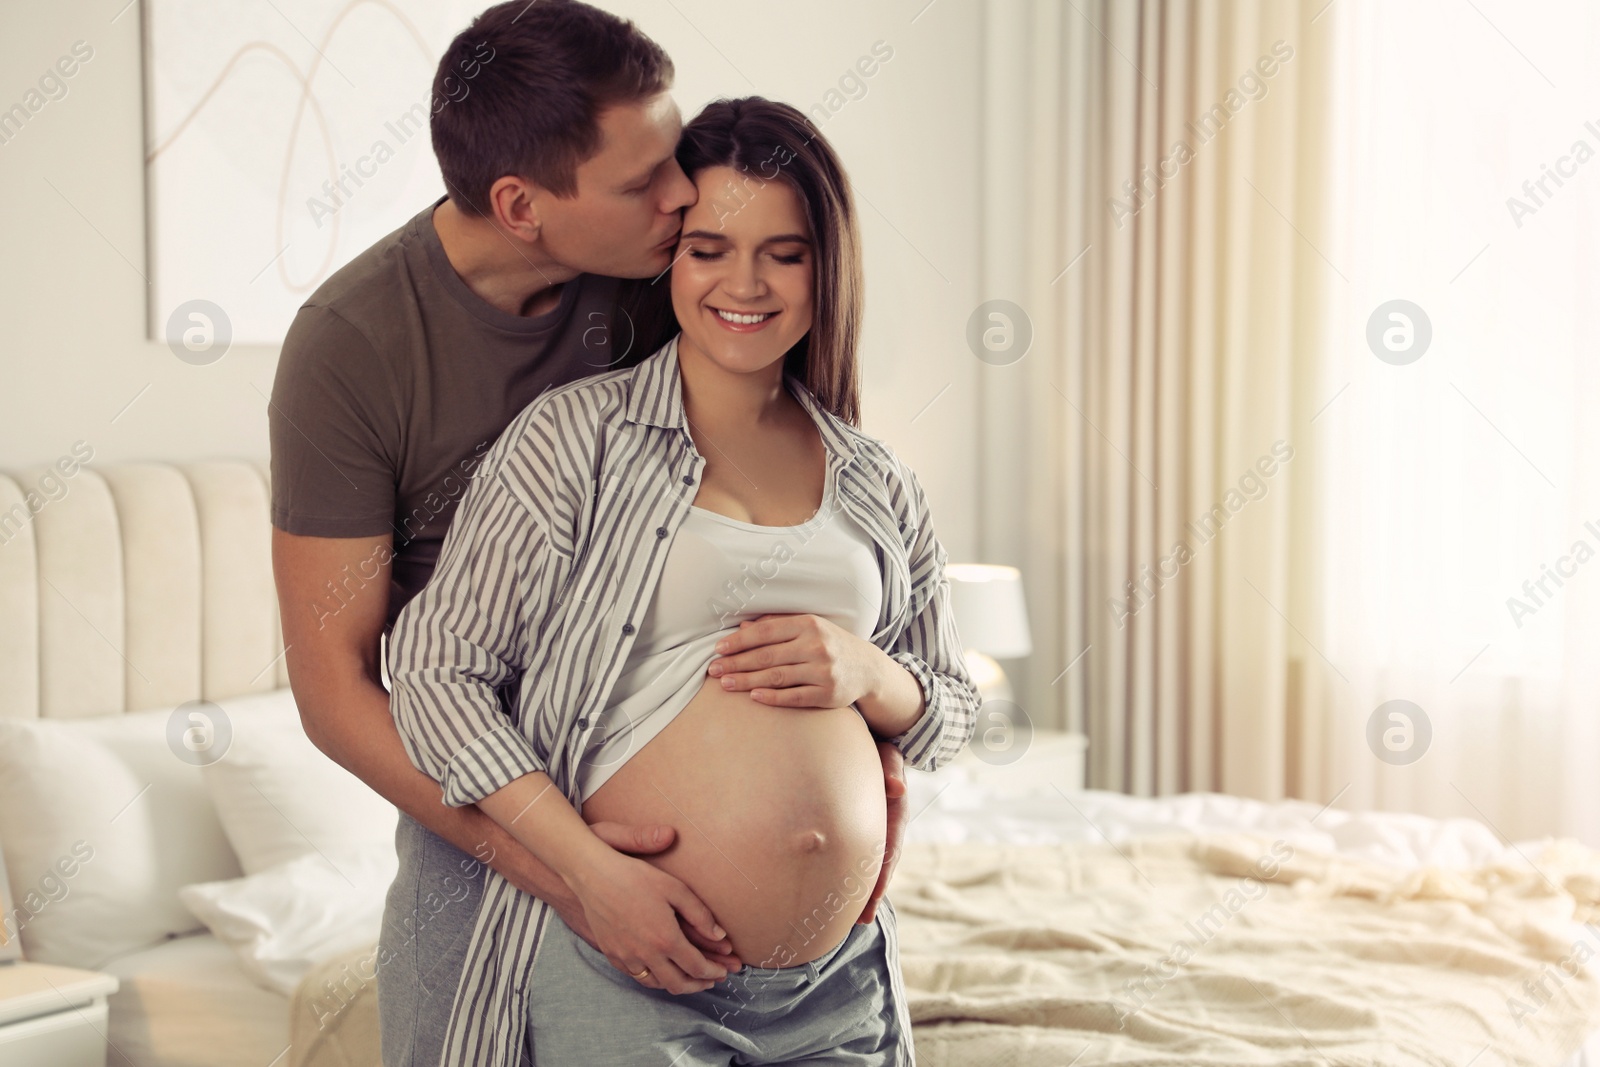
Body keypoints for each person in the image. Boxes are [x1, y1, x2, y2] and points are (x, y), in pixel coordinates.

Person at [267, 4, 913, 1065]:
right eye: (644, 182)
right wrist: (571, 871)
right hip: (479, 792)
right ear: (522, 206)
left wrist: (874, 741)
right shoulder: (356, 348)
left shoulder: (664, 273)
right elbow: (338, 689)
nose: (681, 197)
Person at [388, 96, 979, 1067]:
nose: (743, 281)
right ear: (670, 258)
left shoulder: (879, 482)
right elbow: (434, 673)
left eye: (781, 251)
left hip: (835, 983)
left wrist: (874, 676)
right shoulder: (575, 440)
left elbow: (955, 711)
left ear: (824, 264)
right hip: (632, 964)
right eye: (710, 247)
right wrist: (581, 871)